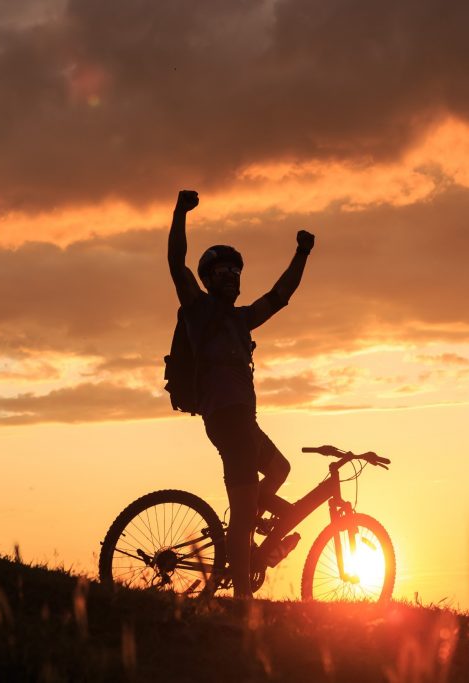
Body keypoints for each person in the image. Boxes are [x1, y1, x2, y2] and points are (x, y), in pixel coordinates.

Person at [167, 188, 314, 598]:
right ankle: (242, 598)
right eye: (223, 271)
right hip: (226, 420)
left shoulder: (241, 320)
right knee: (246, 512)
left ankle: (248, 522)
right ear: (208, 279)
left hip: (244, 421)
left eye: (236, 271)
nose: (232, 276)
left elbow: (280, 296)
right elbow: (176, 262)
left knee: (282, 470)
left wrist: (302, 253)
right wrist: (180, 212)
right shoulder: (198, 311)